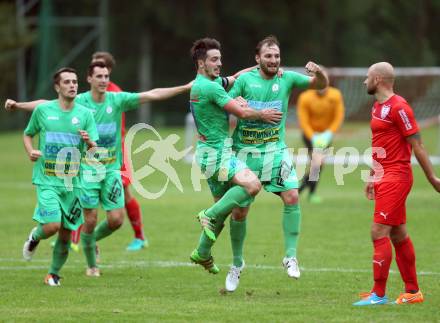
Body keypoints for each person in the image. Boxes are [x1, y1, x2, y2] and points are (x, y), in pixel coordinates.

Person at [5, 61, 192, 277]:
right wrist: (18, 105)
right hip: (85, 171)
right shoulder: (80, 101)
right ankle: (92, 265)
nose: (104, 80)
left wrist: (185, 87)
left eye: (107, 76)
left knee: (116, 220)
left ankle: (90, 241)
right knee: (90, 220)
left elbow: (153, 94)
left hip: (111, 170)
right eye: (100, 76)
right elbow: (46, 104)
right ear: (90, 79)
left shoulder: (117, 100)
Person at [225, 35, 328, 292]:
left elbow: (320, 84)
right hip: (245, 155)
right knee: (240, 212)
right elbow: (224, 103)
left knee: (292, 196)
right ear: (257, 58)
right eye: (268, 56)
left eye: (276, 56)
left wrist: (320, 72)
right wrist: (236, 104)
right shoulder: (245, 81)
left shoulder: (288, 78)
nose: (273, 60)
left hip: (276, 152)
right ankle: (237, 264)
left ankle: (290, 256)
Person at [189, 37, 283, 275]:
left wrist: (257, 67)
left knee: (224, 208)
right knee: (252, 184)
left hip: (207, 154)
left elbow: (234, 78)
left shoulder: (205, 82)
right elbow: (240, 112)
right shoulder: (211, 87)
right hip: (217, 154)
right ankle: (207, 216)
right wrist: (261, 114)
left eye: (220, 59)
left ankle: (202, 252)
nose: (219, 63)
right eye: (214, 60)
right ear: (201, 63)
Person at [353, 62, 440, 306]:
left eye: (367, 77)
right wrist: (372, 175)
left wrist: (433, 178)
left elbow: (418, 145)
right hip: (383, 175)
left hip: (397, 177)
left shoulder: (399, 107)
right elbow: (382, 144)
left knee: (378, 231)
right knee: (398, 233)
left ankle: (378, 295)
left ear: (378, 79)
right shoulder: (377, 106)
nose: (364, 81)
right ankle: (413, 291)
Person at [19, 67, 98, 286]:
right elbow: (28, 134)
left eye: (74, 81)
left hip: (72, 184)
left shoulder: (85, 114)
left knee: (65, 232)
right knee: (52, 226)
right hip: (47, 180)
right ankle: (35, 237)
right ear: (57, 87)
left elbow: (93, 151)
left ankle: (52, 274)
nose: (72, 85)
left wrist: (90, 143)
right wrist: (31, 151)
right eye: (67, 82)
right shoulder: (44, 111)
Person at [297, 70, 345, 203]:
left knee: (317, 165)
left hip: (326, 136)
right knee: (317, 164)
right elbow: (303, 121)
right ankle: (304, 192)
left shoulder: (335, 95)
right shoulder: (305, 97)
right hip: (310, 135)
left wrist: (329, 134)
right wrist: (313, 137)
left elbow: (338, 116)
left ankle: (303, 192)